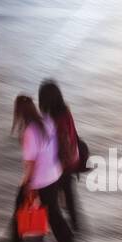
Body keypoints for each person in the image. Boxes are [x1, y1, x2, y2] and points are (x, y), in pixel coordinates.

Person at [2, 95, 74, 242]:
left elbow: (31, 163)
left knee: (22, 205)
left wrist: (27, 184)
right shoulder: (47, 121)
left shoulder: (29, 132)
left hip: (40, 179)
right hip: (54, 174)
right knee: (53, 212)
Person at [38, 80, 84, 233]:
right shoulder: (66, 112)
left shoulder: (55, 120)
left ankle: (46, 231)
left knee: (49, 200)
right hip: (72, 160)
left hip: (60, 165)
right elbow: (73, 135)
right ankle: (76, 227)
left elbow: (59, 143)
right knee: (69, 196)